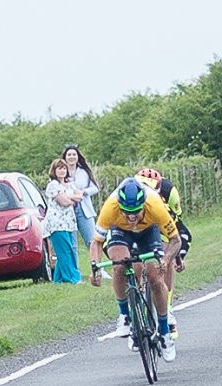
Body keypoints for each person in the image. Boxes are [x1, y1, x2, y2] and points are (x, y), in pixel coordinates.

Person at [90, 178, 183, 361]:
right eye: (126, 212)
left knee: (155, 279)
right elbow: (97, 242)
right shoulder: (111, 206)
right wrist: (95, 268)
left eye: (136, 212)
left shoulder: (154, 204)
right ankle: (125, 315)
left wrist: (166, 259)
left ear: (144, 205)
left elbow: (175, 240)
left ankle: (165, 332)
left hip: (148, 231)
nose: (131, 217)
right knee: (119, 265)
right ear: (119, 206)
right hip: (120, 231)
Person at [135, 168, 190, 339]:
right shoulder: (131, 191)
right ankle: (137, 298)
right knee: (133, 259)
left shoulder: (169, 191)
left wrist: (177, 256)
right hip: (137, 223)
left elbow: (175, 225)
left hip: (163, 221)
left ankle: (168, 306)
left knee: (168, 257)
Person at [63, 144, 110, 280]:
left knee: (92, 240)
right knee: (72, 244)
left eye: (74, 154)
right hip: (68, 211)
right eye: (69, 155)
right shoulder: (61, 171)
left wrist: (83, 192)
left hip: (84, 210)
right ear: (65, 157)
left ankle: (99, 268)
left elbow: (95, 188)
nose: (71, 157)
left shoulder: (83, 172)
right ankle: (74, 272)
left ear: (78, 157)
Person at [42, 159, 82, 284]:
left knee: (68, 249)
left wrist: (68, 196)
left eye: (64, 168)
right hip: (57, 223)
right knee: (65, 251)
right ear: (54, 171)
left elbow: (79, 196)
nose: (62, 171)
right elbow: (64, 202)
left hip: (69, 222)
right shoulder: (53, 185)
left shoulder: (70, 185)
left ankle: (58, 279)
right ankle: (73, 278)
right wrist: (70, 198)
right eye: (59, 168)